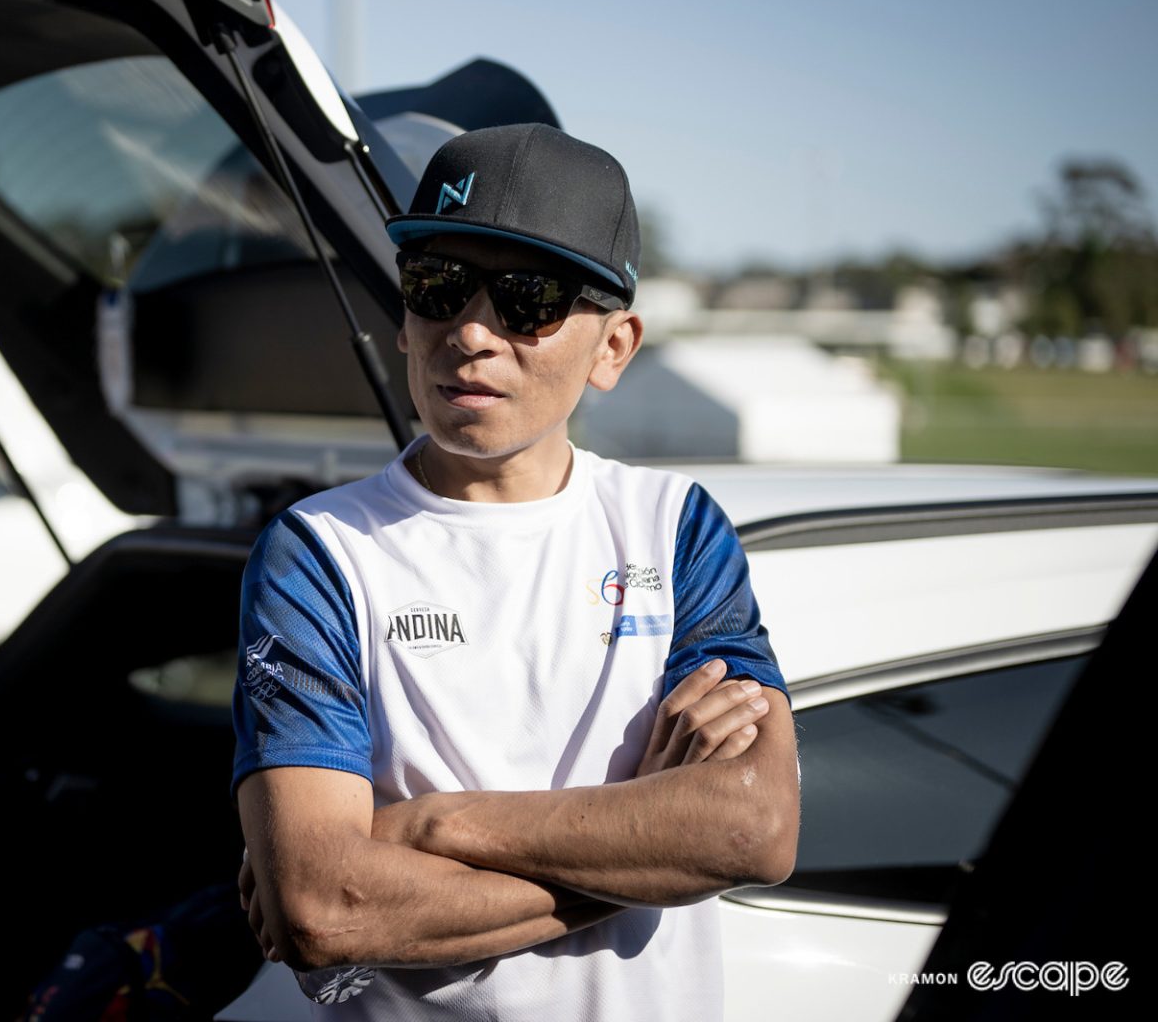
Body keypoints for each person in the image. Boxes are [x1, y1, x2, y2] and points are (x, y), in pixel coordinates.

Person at [231, 123, 799, 1019]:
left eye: (528, 298)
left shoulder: (677, 530)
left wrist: (428, 827)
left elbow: (755, 828)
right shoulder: (318, 551)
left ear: (615, 347)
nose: (471, 332)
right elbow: (324, 907)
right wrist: (654, 853)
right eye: (438, 286)